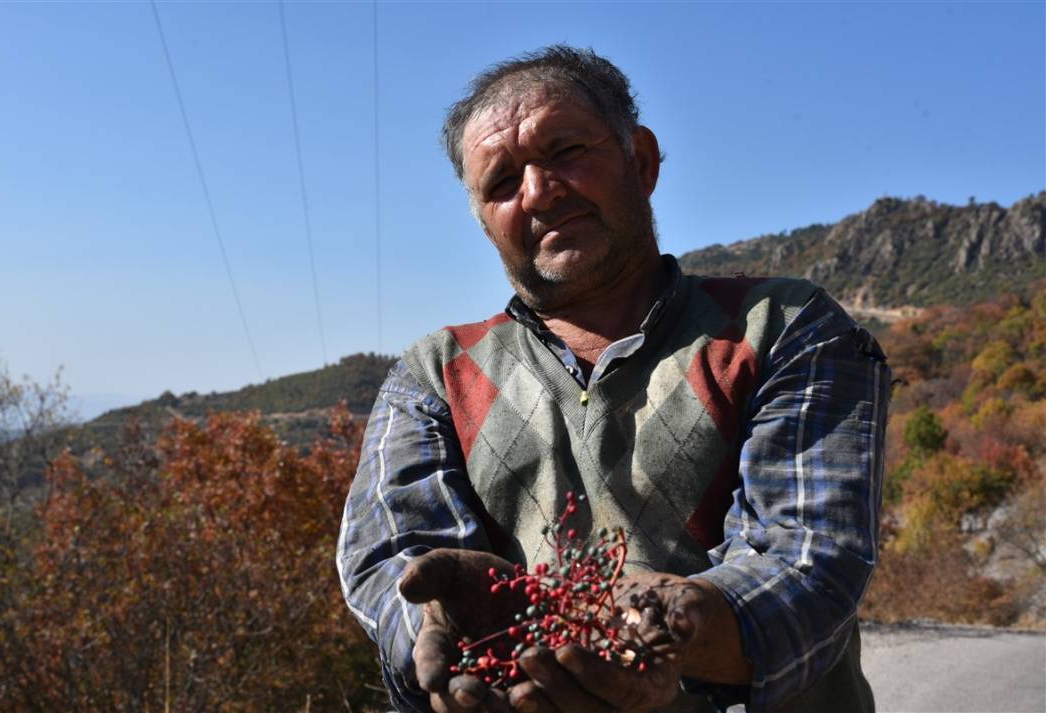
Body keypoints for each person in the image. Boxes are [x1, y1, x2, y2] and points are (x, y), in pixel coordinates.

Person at [337, 45, 889, 713]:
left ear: (643, 160)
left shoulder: (782, 325)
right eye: (503, 181)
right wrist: (444, 632)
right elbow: (396, 559)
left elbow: (809, 560)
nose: (538, 190)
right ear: (484, 220)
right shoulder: (431, 375)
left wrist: (671, 630)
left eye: (565, 149)